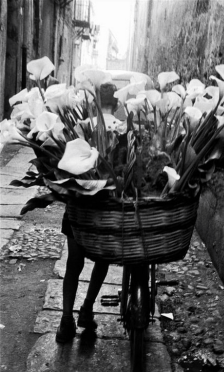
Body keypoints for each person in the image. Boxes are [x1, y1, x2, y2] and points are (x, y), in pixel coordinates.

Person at [56, 83, 119, 343]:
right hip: (105, 209)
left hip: (80, 208)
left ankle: (66, 320)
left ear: (94, 103)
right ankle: (87, 308)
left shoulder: (81, 126)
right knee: (102, 260)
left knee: (74, 263)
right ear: (116, 104)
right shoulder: (121, 128)